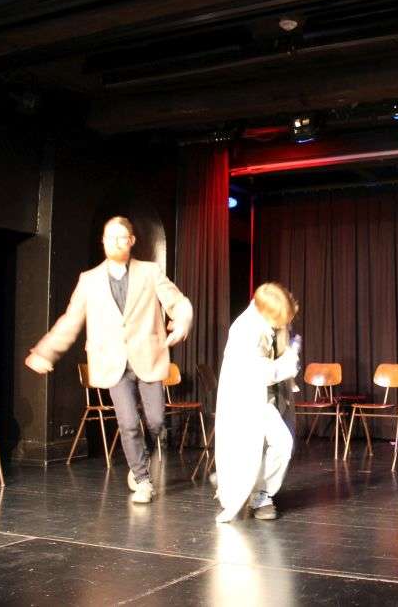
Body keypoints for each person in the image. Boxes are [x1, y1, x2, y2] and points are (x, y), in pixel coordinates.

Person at [25, 216, 193, 504]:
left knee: (156, 422)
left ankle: (143, 456)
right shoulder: (89, 280)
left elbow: (177, 301)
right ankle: (142, 478)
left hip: (148, 357)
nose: (115, 242)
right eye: (109, 237)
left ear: (132, 241)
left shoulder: (150, 272)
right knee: (128, 423)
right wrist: (45, 351)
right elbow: (71, 320)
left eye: (121, 237)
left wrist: (182, 320)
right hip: (112, 363)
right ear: (103, 241)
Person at [214, 282, 301, 523]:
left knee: (283, 444)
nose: (284, 325)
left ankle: (261, 492)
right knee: (254, 447)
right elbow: (261, 373)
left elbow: (286, 337)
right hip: (247, 396)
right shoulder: (245, 331)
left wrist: (292, 349)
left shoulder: (271, 315)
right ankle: (250, 492)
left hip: (269, 395)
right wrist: (289, 363)